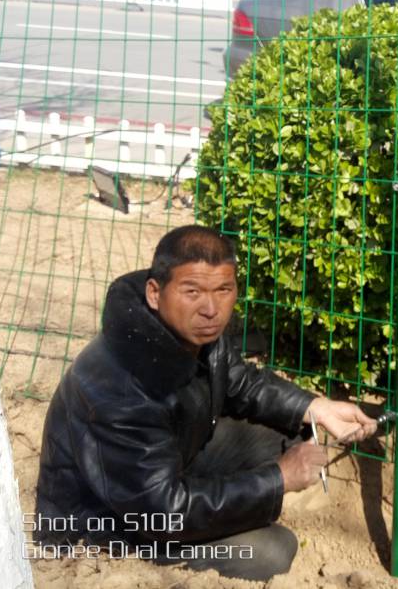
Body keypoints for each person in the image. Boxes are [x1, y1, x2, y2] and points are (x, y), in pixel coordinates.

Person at [34, 225, 376, 580]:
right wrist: (278, 479)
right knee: (270, 550)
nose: (211, 309)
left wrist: (315, 406)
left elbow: (237, 379)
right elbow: (164, 513)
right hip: (105, 524)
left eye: (223, 290)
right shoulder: (123, 390)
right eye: (192, 291)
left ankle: (222, 506)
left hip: (159, 472)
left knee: (287, 434)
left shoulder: (187, 331)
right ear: (155, 292)